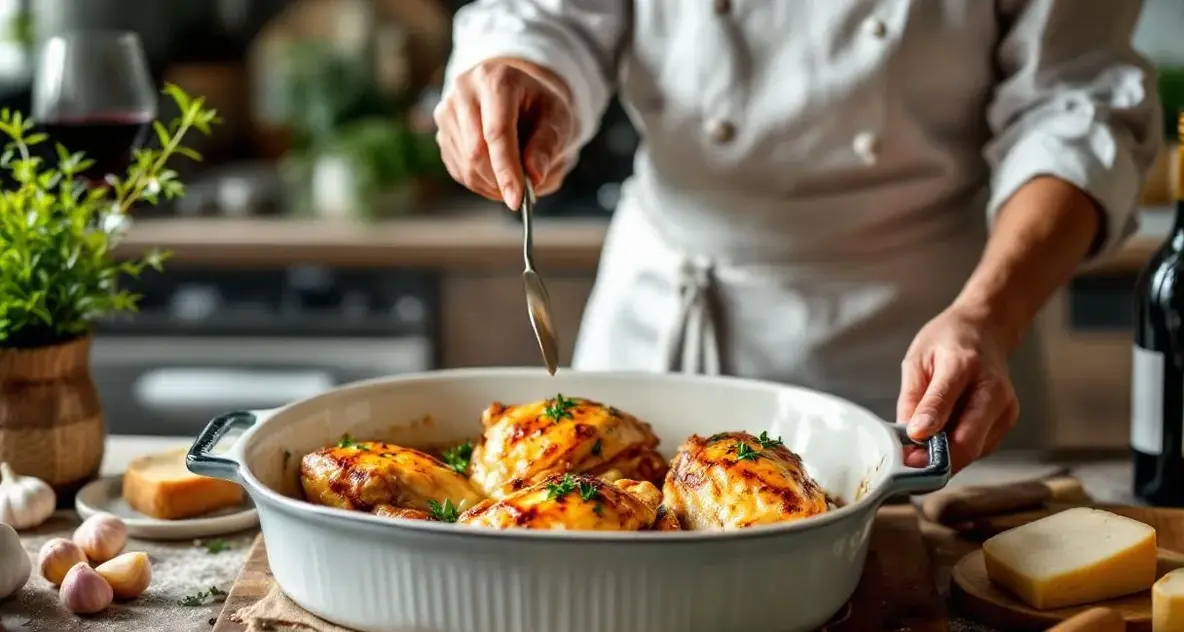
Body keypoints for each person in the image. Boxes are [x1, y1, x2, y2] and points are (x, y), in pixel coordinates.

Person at [433, 0, 1161, 472]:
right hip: (663, 316)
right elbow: (547, 16)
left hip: (926, 337)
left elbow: (1074, 108)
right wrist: (523, 72)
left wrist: (989, 313)